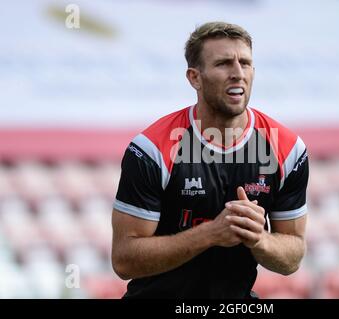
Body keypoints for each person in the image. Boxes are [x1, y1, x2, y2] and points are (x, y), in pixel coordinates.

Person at [111, 21, 309, 298]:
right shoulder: (152, 149)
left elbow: (293, 257)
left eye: (246, 63)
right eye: (224, 64)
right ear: (194, 78)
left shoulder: (288, 150)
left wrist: (259, 239)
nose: (238, 73)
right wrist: (210, 234)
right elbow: (123, 260)